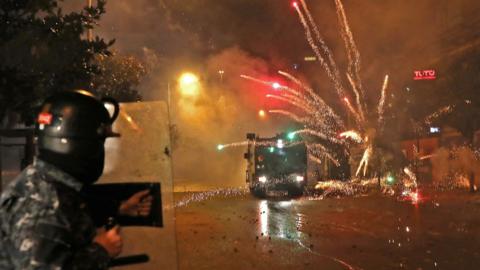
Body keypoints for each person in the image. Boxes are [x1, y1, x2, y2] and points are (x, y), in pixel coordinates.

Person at [0, 90, 151, 269]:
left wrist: (119, 208)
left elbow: (68, 212)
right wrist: (101, 250)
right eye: (100, 141)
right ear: (84, 143)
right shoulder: (45, 205)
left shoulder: (45, 181)